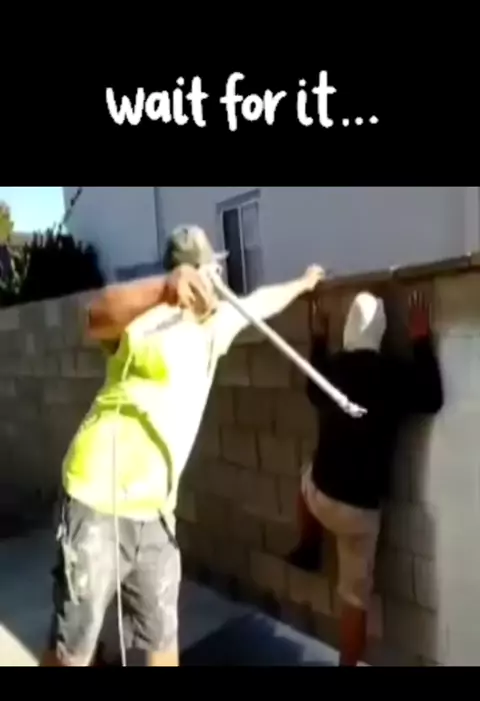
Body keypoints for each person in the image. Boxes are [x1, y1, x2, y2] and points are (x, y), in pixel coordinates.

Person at [40, 224, 323, 667]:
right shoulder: (144, 315)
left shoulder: (216, 326)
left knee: (162, 640)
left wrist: (303, 283)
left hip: (156, 511)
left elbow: (260, 302)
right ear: (191, 271)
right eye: (210, 270)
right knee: (72, 650)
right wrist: (164, 290)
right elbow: (94, 315)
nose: (217, 278)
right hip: (98, 496)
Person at [290, 288, 443, 667]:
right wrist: (420, 341)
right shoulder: (391, 374)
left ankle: (308, 546)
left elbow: (312, 388)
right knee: (354, 601)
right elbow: (432, 398)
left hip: (322, 496)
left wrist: (318, 337)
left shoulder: (334, 369)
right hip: (360, 514)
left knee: (304, 478)